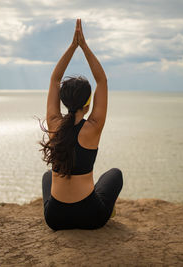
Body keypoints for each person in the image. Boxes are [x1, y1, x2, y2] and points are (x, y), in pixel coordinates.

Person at [39, 19, 123, 230]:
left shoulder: (54, 124)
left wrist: (72, 46)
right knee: (115, 174)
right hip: (90, 216)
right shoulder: (93, 127)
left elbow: (54, 79)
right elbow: (102, 80)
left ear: (64, 101)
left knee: (48, 176)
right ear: (88, 104)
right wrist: (84, 46)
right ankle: (108, 208)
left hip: (55, 218)